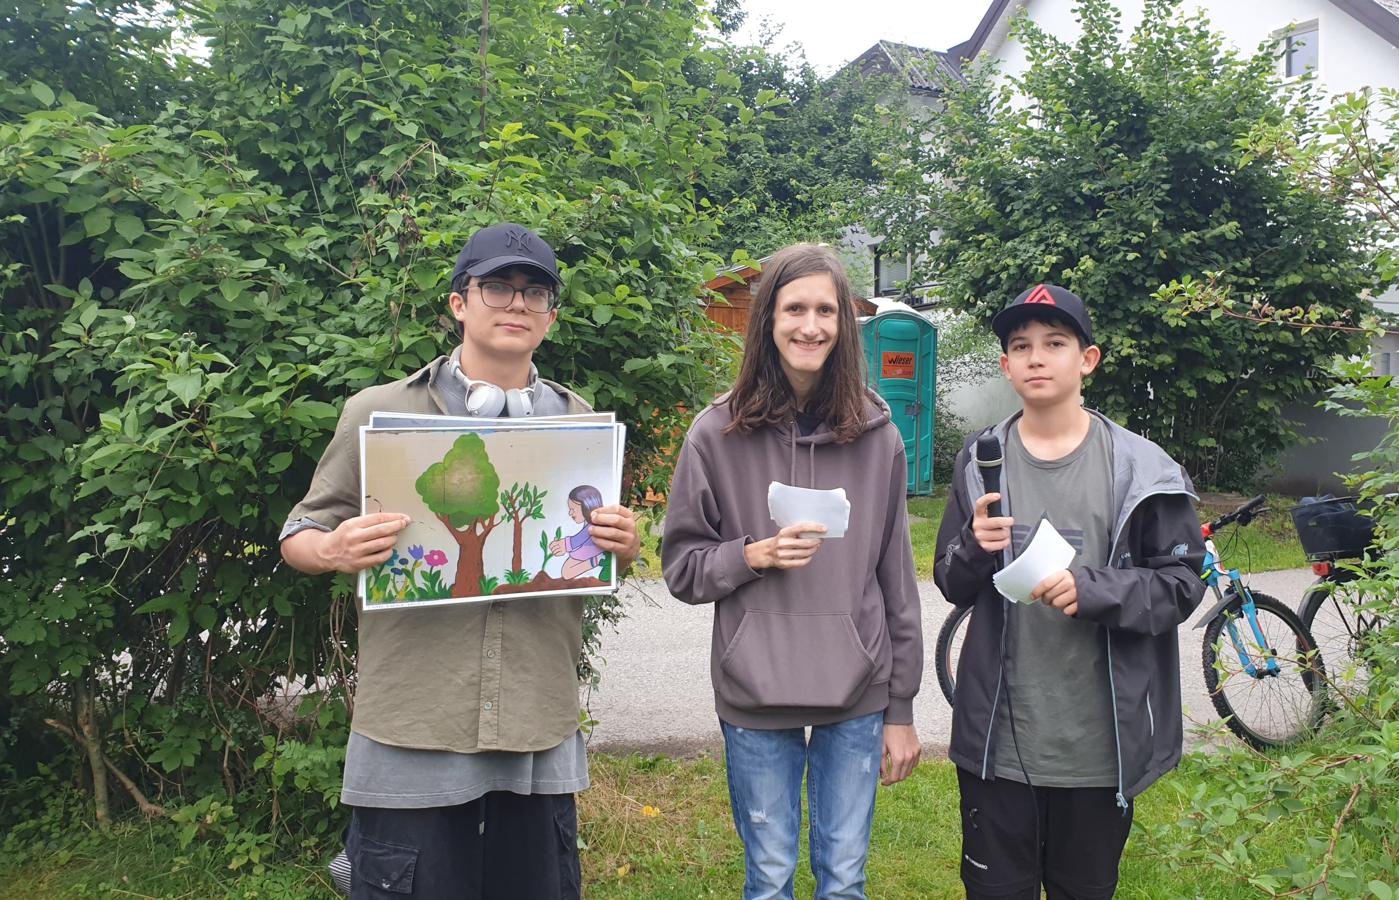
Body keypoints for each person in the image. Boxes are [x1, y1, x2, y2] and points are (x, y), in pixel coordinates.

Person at [279, 222, 641, 899]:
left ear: (551, 316)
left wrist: (623, 541)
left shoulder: (581, 423)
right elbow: (300, 531)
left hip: (536, 721)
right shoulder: (378, 412)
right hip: (414, 723)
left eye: (536, 292)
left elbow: (596, 554)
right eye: (497, 287)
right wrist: (331, 549)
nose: (517, 303)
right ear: (458, 303)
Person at [660, 243, 923, 900]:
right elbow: (682, 570)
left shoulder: (879, 437)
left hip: (856, 693)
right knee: (770, 880)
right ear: (768, 321)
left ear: (844, 325)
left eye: (825, 311)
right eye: (795, 309)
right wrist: (750, 556)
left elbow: (897, 582)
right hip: (755, 693)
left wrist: (901, 708)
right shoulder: (714, 433)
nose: (811, 326)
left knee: (844, 882)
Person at [933, 284, 1206, 900]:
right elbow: (950, 580)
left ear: (1088, 360)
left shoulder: (1143, 468)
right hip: (998, 747)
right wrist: (974, 546)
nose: (1036, 357)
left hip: (1099, 750)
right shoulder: (980, 459)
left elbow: (1182, 584)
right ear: (1005, 365)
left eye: (1055, 343)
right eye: (1020, 346)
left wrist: (1094, 589)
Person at [550, 485, 605, 579]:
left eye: (573, 509)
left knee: (567, 572)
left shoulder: (592, 525)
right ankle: (596, 560)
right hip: (586, 551)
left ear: (587, 506)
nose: (570, 513)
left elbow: (579, 538)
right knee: (567, 571)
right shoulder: (590, 523)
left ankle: (599, 559)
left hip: (591, 550)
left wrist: (565, 545)